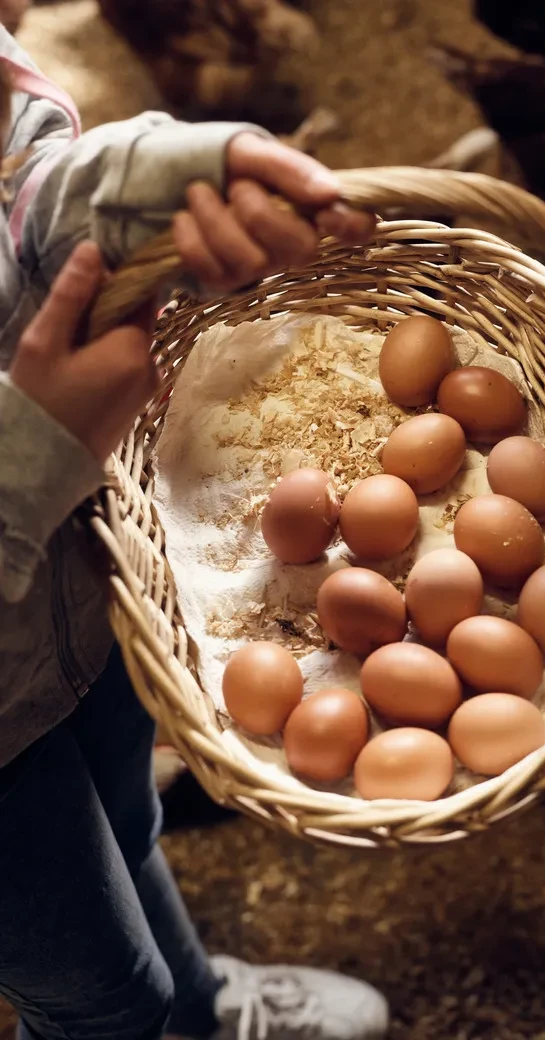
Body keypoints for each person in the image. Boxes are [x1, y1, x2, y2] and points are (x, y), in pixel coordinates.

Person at [0, 25, 388, 1040]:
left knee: (130, 826)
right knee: (97, 992)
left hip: (88, 588)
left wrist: (147, 188)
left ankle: (205, 1012)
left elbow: (23, 182)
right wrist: (32, 450)